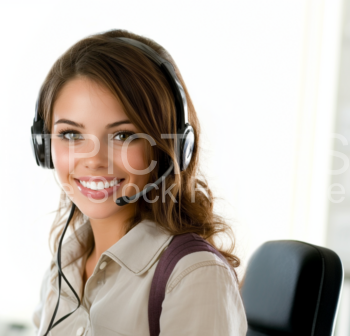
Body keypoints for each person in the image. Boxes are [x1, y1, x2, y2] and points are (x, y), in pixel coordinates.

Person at [31, 29, 247, 336]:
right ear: (43, 146)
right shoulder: (65, 264)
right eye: (71, 134)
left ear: (167, 148)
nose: (94, 160)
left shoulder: (193, 275)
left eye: (123, 135)